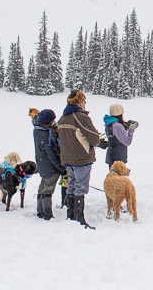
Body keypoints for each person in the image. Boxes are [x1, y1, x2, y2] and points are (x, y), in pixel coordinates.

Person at [57, 90, 100, 229]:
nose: (85, 104)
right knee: (80, 188)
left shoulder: (63, 118)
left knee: (71, 186)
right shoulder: (81, 117)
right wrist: (98, 140)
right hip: (81, 159)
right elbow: (94, 138)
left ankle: (71, 217)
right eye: (84, 102)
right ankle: (79, 220)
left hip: (67, 158)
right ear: (80, 102)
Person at [32, 108, 66, 220]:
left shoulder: (37, 130)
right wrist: (61, 167)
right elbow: (51, 154)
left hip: (41, 163)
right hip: (50, 166)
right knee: (48, 189)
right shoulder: (47, 135)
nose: (54, 121)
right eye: (53, 120)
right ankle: (47, 212)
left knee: (42, 187)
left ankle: (40, 210)